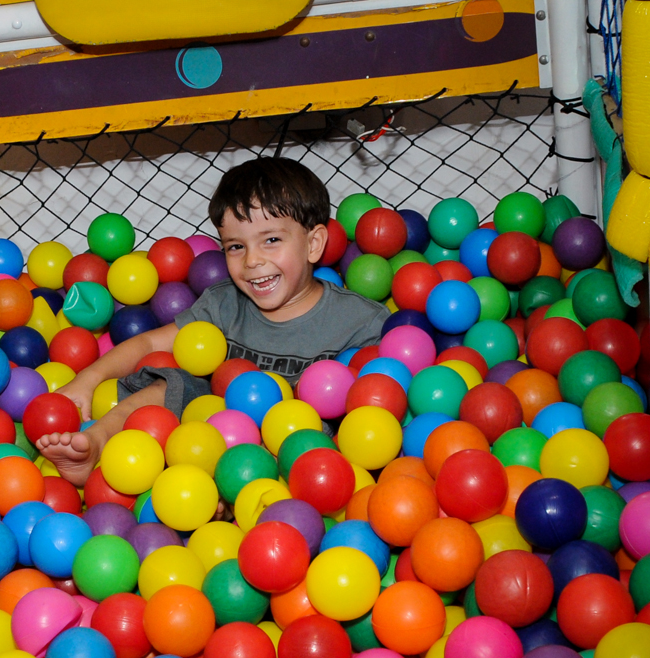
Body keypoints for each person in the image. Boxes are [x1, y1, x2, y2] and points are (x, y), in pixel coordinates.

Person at [36, 157, 389, 486]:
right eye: (236, 246)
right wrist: (88, 380)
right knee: (172, 385)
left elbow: (374, 414)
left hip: (302, 461)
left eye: (271, 240)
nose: (252, 260)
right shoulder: (224, 303)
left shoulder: (360, 321)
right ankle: (97, 442)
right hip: (204, 442)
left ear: (313, 244)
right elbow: (150, 343)